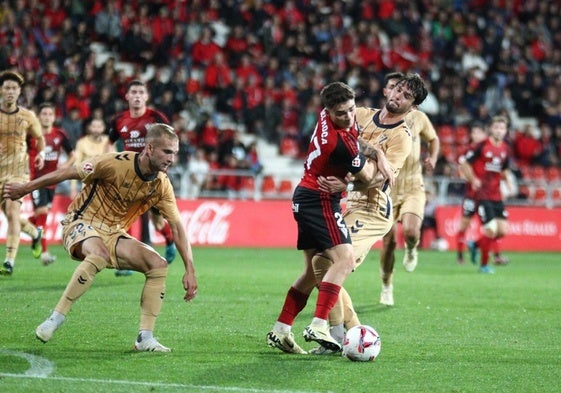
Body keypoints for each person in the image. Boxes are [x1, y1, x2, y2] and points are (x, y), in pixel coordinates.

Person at [3, 123, 198, 351]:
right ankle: (56, 318)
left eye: (175, 153)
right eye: (167, 152)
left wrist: (190, 268)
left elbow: (177, 227)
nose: (171, 159)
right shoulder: (114, 163)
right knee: (99, 254)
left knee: (158, 265)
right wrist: (26, 188)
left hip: (113, 233)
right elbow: (67, 172)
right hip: (80, 222)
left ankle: (145, 338)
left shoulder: (161, 185)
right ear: (149, 148)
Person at [312, 73, 428, 352]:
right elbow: (333, 130)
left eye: (406, 96)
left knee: (331, 262)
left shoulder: (402, 137)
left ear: (413, 107)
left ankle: (341, 335)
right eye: (398, 90)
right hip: (350, 203)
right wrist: (376, 150)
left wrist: (349, 179)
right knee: (320, 263)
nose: (398, 96)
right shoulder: (361, 114)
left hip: (373, 209)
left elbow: (379, 179)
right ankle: (348, 335)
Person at [266, 81, 377, 354]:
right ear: (329, 111)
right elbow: (367, 178)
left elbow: (355, 137)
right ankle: (318, 324)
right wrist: (352, 183)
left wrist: (376, 154)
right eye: (342, 113)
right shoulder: (341, 145)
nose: (349, 117)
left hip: (303, 196)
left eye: (352, 110)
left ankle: (281, 329)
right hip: (321, 201)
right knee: (345, 259)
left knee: (309, 273)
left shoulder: (326, 119)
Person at [377, 72, 440, 306]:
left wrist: (432, 157)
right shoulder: (377, 120)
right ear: (386, 91)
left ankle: (412, 249)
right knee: (389, 241)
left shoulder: (419, 119)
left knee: (411, 232)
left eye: (404, 93)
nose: (397, 94)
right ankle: (386, 285)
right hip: (387, 190)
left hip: (413, 185)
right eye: (393, 88)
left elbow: (433, 139)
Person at [108, 79, 176, 267]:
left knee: (158, 222)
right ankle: (128, 262)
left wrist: (166, 162)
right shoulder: (119, 120)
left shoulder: (156, 117)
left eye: (141, 92)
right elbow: (109, 143)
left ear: (146, 97)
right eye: (134, 92)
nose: (137, 96)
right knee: (123, 217)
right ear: (127, 96)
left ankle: (169, 241)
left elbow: (171, 141)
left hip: (154, 176)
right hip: (129, 175)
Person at [0, 70, 45, 276]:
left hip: (19, 172)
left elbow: (39, 138)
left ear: (19, 92)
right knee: (12, 216)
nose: (10, 91)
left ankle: (9, 260)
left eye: (14, 88)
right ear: (1, 90)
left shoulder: (27, 116)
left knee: (12, 212)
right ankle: (35, 233)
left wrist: (41, 153)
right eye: (7, 87)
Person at [458, 116, 515, 274]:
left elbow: (503, 168)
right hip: (481, 195)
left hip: (496, 194)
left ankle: (475, 244)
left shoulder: (505, 148)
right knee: (490, 229)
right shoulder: (481, 146)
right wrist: (473, 179)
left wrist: (508, 182)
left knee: (502, 231)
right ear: (491, 129)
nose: (499, 131)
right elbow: (464, 163)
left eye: (502, 128)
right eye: (496, 128)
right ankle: (483, 266)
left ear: (505, 131)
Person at [29, 102, 75, 265]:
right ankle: (44, 253)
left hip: (52, 182)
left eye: (50, 114)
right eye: (44, 114)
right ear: (39, 116)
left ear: (54, 117)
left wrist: (65, 166)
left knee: (39, 217)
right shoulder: (32, 135)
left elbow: (72, 155)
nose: (47, 116)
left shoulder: (60, 134)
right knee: (42, 213)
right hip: (35, 180)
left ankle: (28, 227)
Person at [69, 117, 111, 198]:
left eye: (99, 127)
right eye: (94, 126)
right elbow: (75, 165)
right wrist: (73, 187)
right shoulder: (82, 143)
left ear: (103, 128)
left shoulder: (108, 141)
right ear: (89, 127)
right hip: (87, 185)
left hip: (105, 184)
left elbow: (115, 163)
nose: (96, 129)